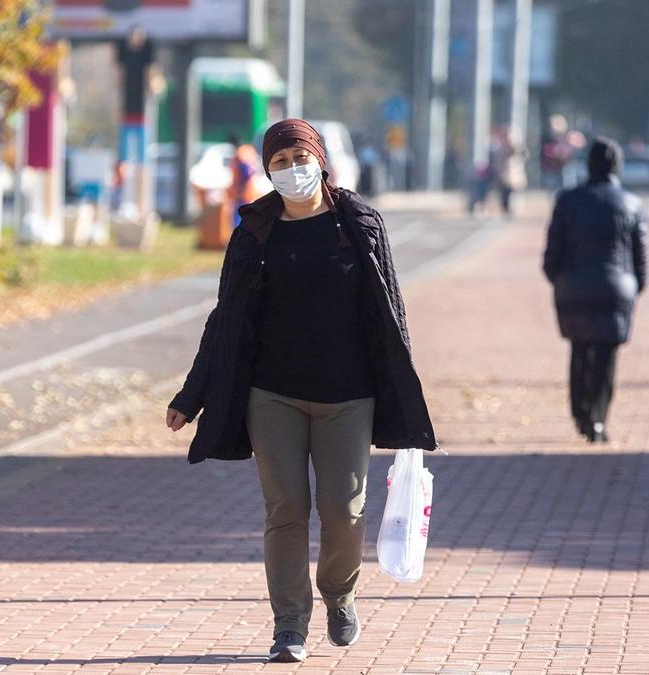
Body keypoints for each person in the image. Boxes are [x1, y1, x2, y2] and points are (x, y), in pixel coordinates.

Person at [164, 118, 437, 662]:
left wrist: (402, 396)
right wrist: (191, 396)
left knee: (344, 511)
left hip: (349, 396)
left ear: (320, 159)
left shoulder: (359, 223)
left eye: (300, 158)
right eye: (281, 163)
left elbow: (391, 316)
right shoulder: (255, 233)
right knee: (286, 509)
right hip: (272, 396)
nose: (293, 170)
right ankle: (289, 625)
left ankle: (338, 594)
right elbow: (227, 319)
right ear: (268, 171)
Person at [543, 137, 648, 443]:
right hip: (616, 289)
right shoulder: (631, 204)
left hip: (572, 287)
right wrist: (634, 286)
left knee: (579, 349)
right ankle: (598, 419)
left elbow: (552, 254)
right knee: (606, 354)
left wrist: (560, 280)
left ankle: (580, 414)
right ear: (618, 166)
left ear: (588, 164)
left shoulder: (567, 200)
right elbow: (640, 258)